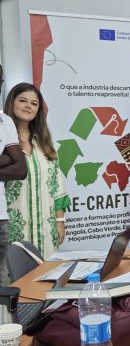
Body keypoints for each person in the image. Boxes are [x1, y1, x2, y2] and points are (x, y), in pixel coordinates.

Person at [4, 83, 70, 260]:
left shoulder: (44, 144)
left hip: (46, 233)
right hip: (13, 231)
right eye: (22, 101)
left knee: (47, 274)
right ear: (11, 103)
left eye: (34, 103)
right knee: (16, 274)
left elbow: (57, 186)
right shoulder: (3, 143)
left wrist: (60, 222)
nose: (28, 106)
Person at [0, 67, 27, 285]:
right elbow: (12, 161)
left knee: (1, 284)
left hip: (0, 218)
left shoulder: (4, 121)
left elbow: (20, 169)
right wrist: (5, 159)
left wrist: (10, 159)